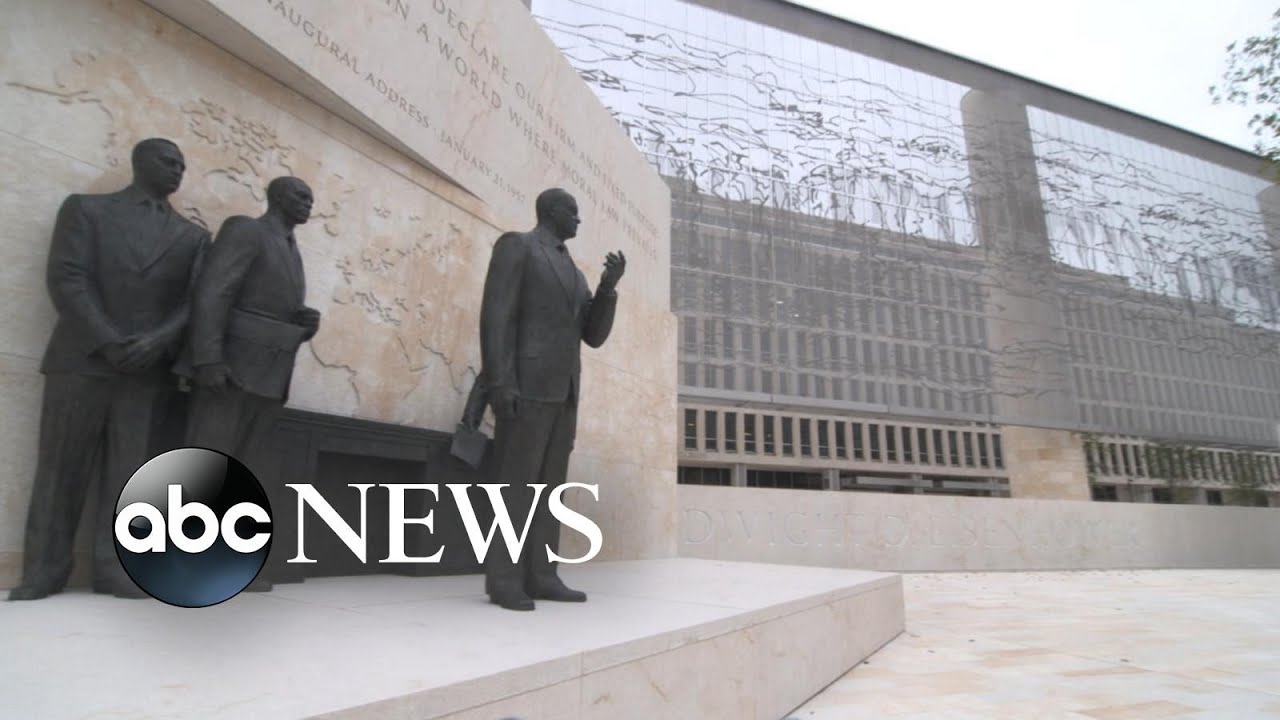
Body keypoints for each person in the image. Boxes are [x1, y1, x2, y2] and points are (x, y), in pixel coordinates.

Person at [10, 138, 210, 601]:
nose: (177, 169)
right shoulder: (85, 210)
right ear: (139, 162)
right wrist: (108, 339)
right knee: (60, 469)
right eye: (168, 160)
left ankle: (117, 568)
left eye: (182, 163)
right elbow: (67, 276)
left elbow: (194, 303)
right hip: (82, 359)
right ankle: (43, 570)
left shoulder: (194, 237)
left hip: (147, 371)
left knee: (131, 475)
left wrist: (158, 342)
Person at [478, 187, 626, 611]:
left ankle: (542, 575)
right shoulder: (518, 247)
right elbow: (495, 316)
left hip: (564, 394)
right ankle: (504, 579)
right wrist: (499, 383)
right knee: (515, 488)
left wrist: (607, 288)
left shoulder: (575, 272)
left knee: (549, 491)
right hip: (525, 386)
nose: (579, 219)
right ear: (551, 211)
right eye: (573, 211)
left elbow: (593, 336)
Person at [176, 176, 321, 590]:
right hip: (231, 370)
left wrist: (303, 327)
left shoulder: (293, 251)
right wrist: (207, 357)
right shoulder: (247, 230)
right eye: (301, 194)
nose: (308, 202)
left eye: (310, 197)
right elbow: (213, 293)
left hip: (269, 377)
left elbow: (269, 310)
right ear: (276, 197)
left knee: (246, 474)